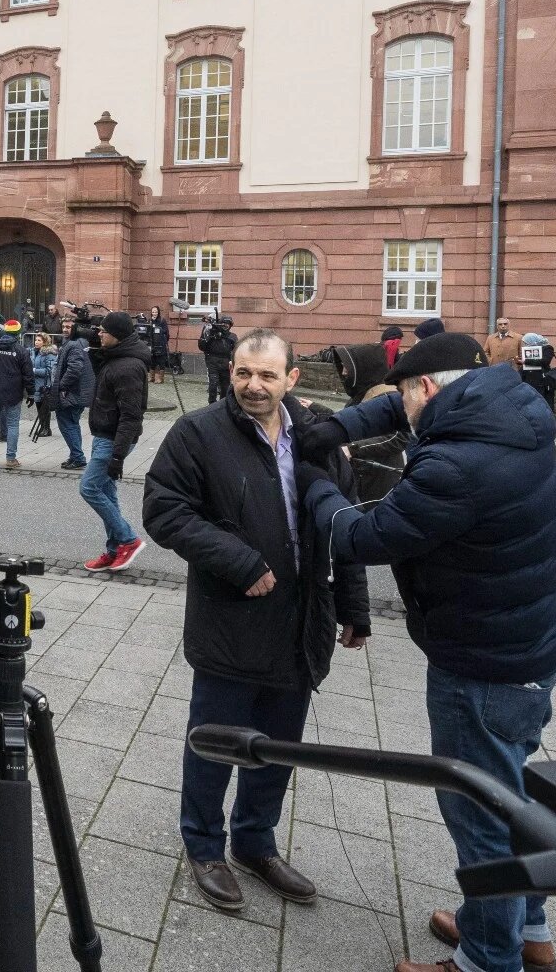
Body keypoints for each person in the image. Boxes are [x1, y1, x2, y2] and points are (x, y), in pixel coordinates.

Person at [294, 332, 556, 972]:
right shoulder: (508, 407)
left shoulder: (456, 466)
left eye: (405, 394)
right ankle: (527, 933)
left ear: (425, 386)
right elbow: (399, 409)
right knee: (511, 800)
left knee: (481, 822)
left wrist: (315, 479)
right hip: (531, 644)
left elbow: (359, 535)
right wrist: (332, 428)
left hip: (483, 669)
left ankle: (485, 961)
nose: (399, 407)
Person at [143, 329, 370, 913]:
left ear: (292, 378)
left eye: (268, 375)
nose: (253, 386)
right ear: (232, 372)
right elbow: (165, 511)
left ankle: (254, 842)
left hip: (300, 624)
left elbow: (342, 525)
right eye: (245, 373)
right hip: (231, 618)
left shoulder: (319, 438)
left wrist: (354, 606)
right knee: (216, 740)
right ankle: (204, 847)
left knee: (278, 746)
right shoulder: (198, 433)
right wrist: (238, 560)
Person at [82, 311, 149, 570]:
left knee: (89, 488)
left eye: (103, 332)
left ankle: (128, 539)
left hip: (113, 439)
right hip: (105, 436)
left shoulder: (128, 367)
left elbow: (131, 416)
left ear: (118, 336)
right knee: (107, 493)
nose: (99, 334)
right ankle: (114, 549)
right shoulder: (115, 357)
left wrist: (118, 456)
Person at [0, 318, 34, 468]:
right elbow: (28, 374)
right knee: (13, 424)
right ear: (18, 334)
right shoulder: (21, 350)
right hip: (13, 393)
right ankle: (10, 458)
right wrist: (31, 393)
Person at [53, 326, 95, 469]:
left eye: (68, 327)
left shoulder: (74, 345)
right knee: (72, 423)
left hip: (73, 392)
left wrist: (62, 386)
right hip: (78, 392)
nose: (65, 329)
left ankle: (78, 457)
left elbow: (74, 369)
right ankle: (74, 455)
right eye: (63, 326)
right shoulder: (80, 344)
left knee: (67, 423)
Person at [517, 333, 556, 413]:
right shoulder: (528, 349)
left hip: (542, 381)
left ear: (532, 341)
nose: (525, 344)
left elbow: (545, 361)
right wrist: (520, 362)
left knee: (544, 402)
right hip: (529, 380)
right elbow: (527, 365)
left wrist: (526, 361)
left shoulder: (548, 348)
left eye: (526, 342)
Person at [199, 313, 238, 404]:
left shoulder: (232, 336)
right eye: (224, 323)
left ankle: (223, 403)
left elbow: (236, 350)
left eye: (228, 324)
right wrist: (209, 335)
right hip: (212, 361)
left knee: (225, 385)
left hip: (226, 363)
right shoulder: (212, 333)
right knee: (213, 382)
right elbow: (202, 346)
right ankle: (212, 403)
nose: (225, 326)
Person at [30, 332, 57, 440]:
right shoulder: (34, 352)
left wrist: (35, 371)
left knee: (44, 408)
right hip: (36, 385)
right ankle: (43, 427)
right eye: (36, 340)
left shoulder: (49, 354)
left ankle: (46, 428)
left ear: (45, 342)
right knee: (39, 407)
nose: (36, 342)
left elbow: (50, 371)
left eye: (39, 340)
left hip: (45, 385)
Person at [147, 304, 172, 384]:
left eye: (156, 312)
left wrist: (164, 340)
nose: (154, 313)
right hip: (152, 344)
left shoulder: (162, 321)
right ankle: (152, 377)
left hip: (160, 344)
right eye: (153, 312)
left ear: (158, 312)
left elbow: (166, 333)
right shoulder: (149, 321)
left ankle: (160, 378)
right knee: (152, 361)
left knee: (161, 361)